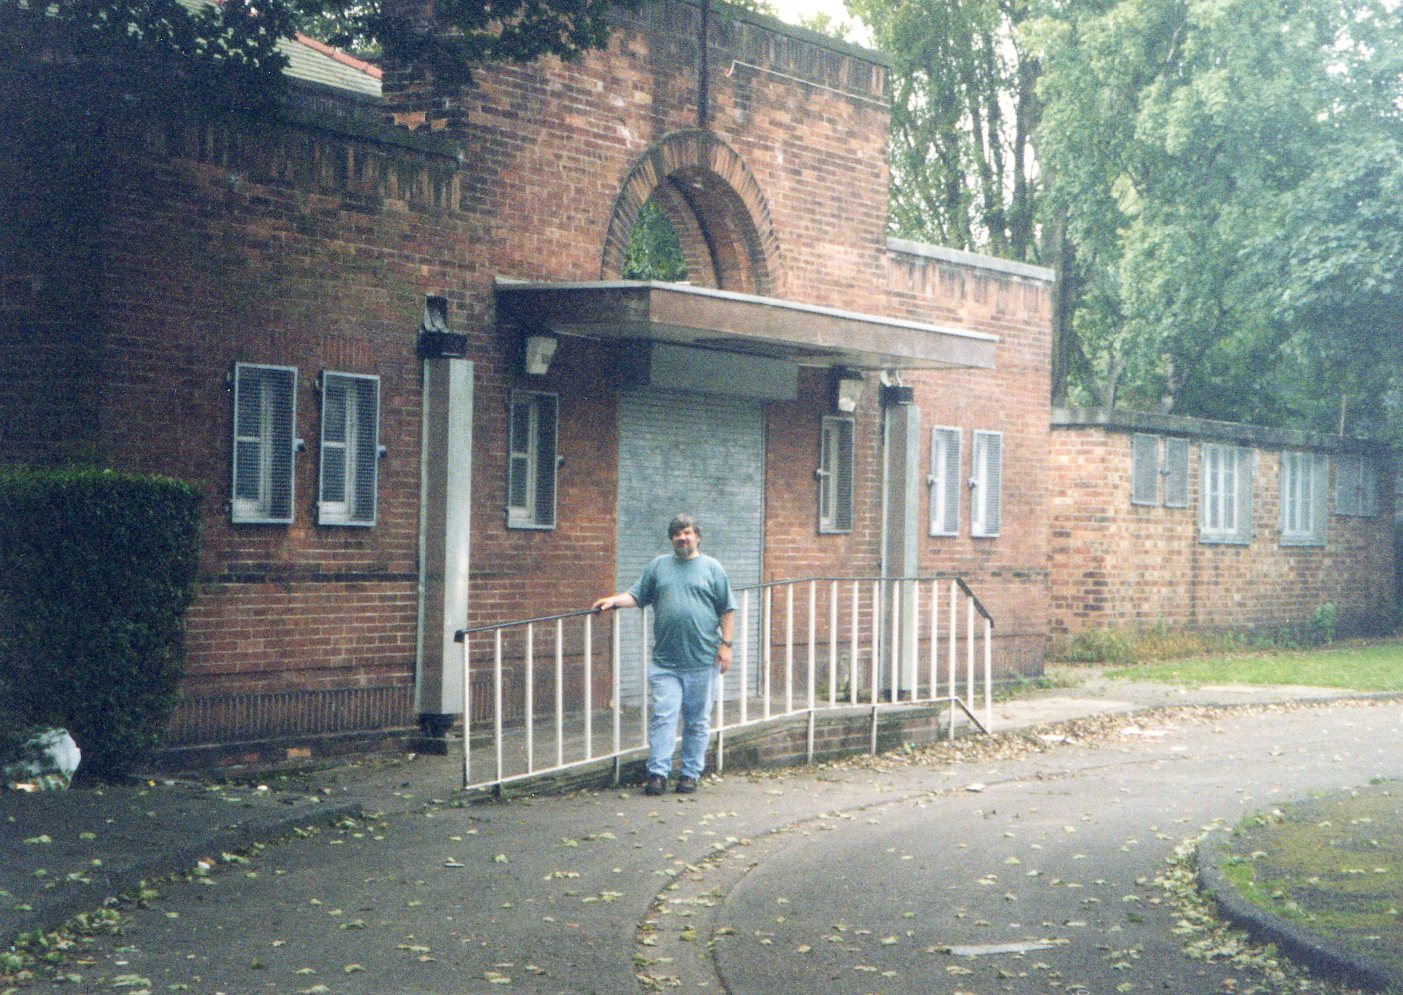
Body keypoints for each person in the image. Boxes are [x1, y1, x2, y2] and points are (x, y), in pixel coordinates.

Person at [593, 514, 735, 795]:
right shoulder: (659, 566)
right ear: (671, 539)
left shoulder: (712, 568)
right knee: (663, 717)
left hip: (702, 661)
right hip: (665, 663)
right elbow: (637, 595)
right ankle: (657, 774)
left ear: (697, 536)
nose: (682, 538)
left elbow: (726, 609)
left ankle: (690, 774)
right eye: (677, 534)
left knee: (697, 721)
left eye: (687, 533)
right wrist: (613, 601)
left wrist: (726, 645)